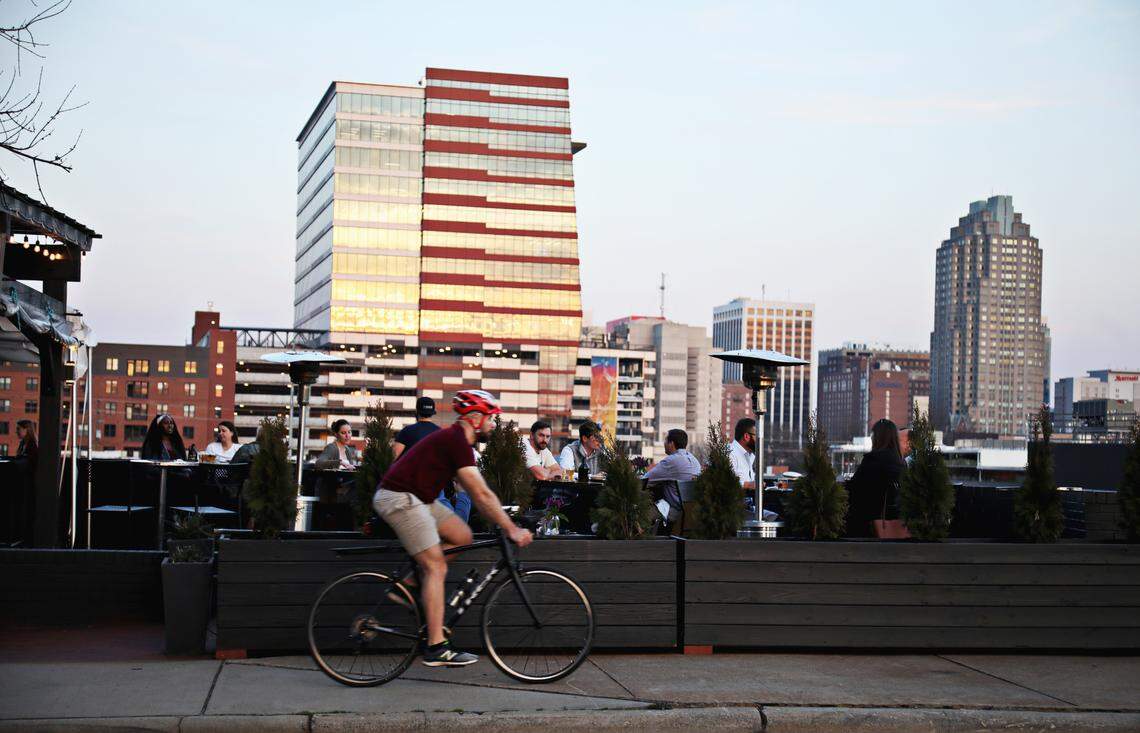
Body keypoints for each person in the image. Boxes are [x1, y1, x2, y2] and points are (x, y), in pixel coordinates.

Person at [373, 389, 533, 667]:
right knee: (436, 566)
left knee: (462, 535)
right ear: (474, 418)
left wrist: (501, 515)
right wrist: (511, 528)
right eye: (491, 419)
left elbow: (476, 491)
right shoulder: (456, 440)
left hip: (419, 499)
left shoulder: (458, 442)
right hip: (399, 498)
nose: (494, 425)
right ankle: (436, 647)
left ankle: (408, 584)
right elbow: (480, 494)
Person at [392, 396, 471, 521]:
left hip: (411, 487)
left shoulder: (407, 431)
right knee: (455, 522)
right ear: (432, 413)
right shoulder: (440, 433)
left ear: (417, 412)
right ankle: (463, 495)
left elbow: (394, 456)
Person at [845, 418, 907, 538]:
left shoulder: (872, 461)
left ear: (878, 438)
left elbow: (855, 492)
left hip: (869, 527)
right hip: (895, 525)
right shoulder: (900, 464)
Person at [729, 418, 758, 490]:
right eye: (757, 436)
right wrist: (747, 485)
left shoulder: (748, 455)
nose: (760, 440)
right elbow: (723, 481)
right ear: (746, 436)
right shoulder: (730, 453)